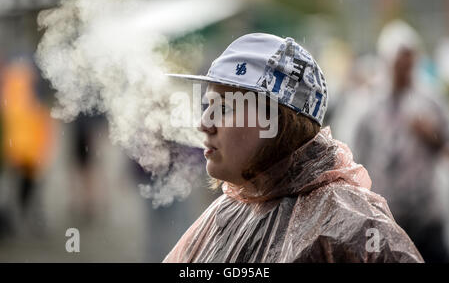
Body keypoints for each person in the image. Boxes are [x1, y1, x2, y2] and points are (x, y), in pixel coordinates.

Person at [164, 33, 423, 262]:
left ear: (277, 120)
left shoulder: (352, 227)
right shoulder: (225, 213)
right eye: (206, 107)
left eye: (223, 108)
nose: (203, 124)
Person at [354, 21, 449, 262]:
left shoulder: (429, 100)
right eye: (399, 62)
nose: (405, 69)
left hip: (426, 214)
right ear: (387, 62)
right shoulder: (369, 104)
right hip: (387, 216)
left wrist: (431, 134)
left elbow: (445, 145)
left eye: (409, 61)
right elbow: (357, 156)